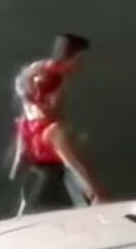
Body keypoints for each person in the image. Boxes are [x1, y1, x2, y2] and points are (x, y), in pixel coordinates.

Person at [8, 33, 104, 215]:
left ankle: (91, 200)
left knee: (51, 178)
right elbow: (46, 108)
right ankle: (97, 199)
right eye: (80, 59)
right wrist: (65, 130)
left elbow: (25, 106)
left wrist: (22, 144)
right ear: (71, 56)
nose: (81, 65)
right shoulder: (54, 76)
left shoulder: (37, 69)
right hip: (47, 133)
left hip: (33, 131)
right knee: (74, 165)